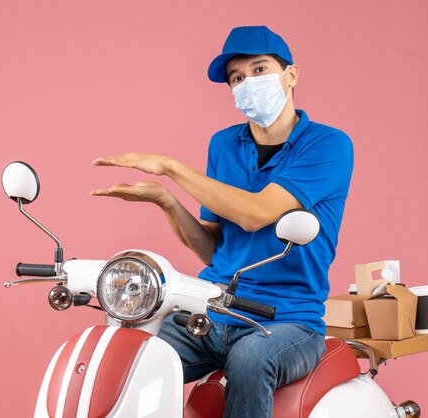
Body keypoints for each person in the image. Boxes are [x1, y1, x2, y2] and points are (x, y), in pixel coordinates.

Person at [90, 25, 353, 418]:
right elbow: (215, 246)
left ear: (291, 75)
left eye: (260, 70)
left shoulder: (329, 145)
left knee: (251, 358)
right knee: (128, 351)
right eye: (237, 78)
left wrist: (171, 168)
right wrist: (166, 200)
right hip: (214, 309)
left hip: (289, 321)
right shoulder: (224, 144)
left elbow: (255, 214)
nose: (248, 83)